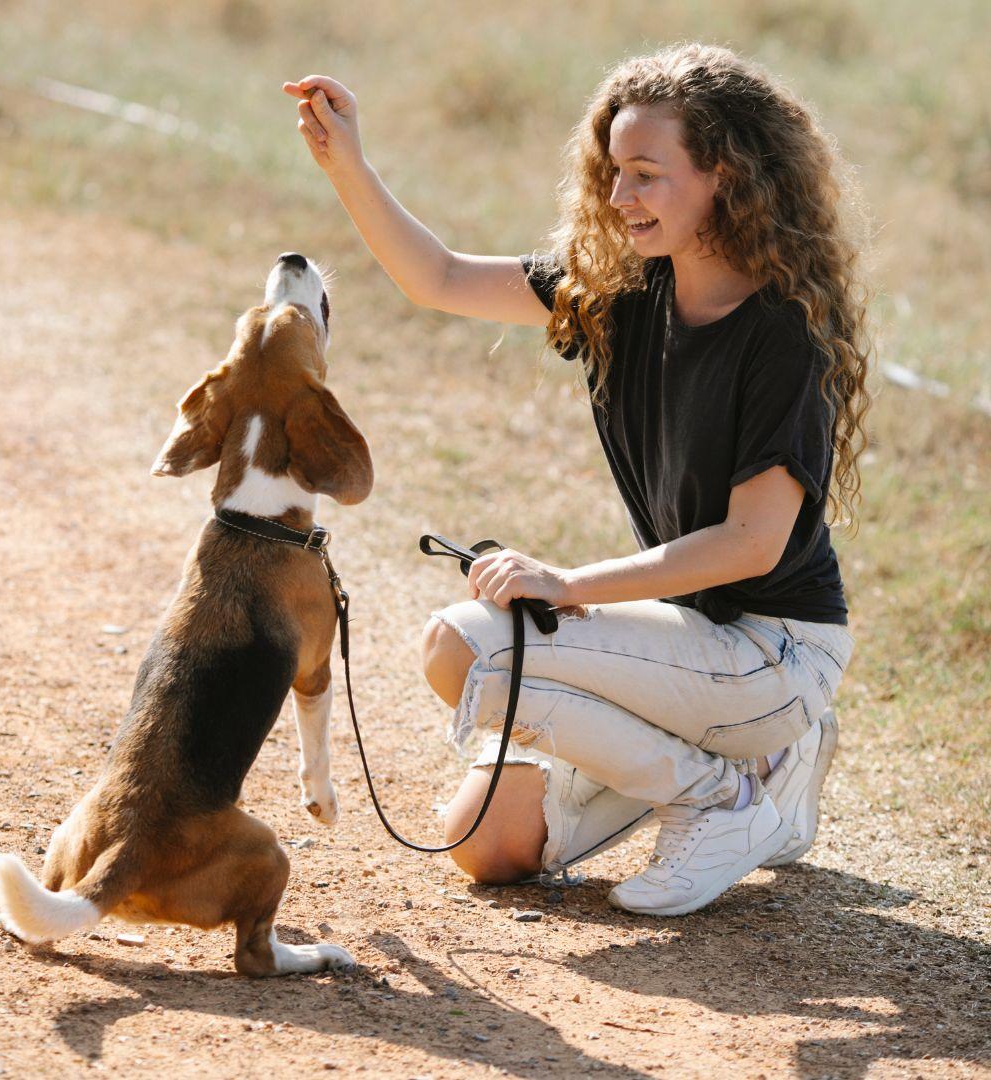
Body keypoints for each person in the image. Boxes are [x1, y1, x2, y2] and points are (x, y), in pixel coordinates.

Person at [282, 42, 872, 916]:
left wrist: (567, 586)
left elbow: (753, 544)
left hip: (772, 654)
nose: (618, 196)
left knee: (462, 645)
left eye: (645, 174)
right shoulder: (621, 294)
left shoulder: (782, 334)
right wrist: (348, 163)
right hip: (689, 646)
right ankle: (754, 780)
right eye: (612, 172)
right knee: (485, 846)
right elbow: (439, 277)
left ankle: (724, 797)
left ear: (724, 174)